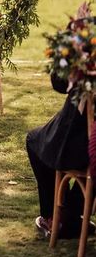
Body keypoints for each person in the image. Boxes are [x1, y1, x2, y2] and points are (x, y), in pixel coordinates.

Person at [27, 71, 90, 238]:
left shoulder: (84, 49)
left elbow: (60, 83)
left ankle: (56, 217)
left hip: (80, 135)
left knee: (34, 141)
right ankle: (72, 215)